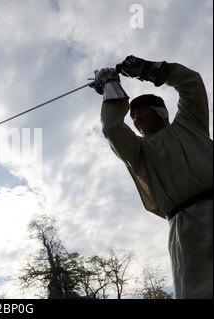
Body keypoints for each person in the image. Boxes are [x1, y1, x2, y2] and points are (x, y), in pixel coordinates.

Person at [91, 56, 213, 299]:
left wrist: (148, 70)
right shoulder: (138, 152)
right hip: (186, 229)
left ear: (159, 111)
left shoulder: (191, 123)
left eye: (142, 110)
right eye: (132, 114)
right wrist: (111, 87)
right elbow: (112, 128)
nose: (135, 117)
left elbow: (192, 83)